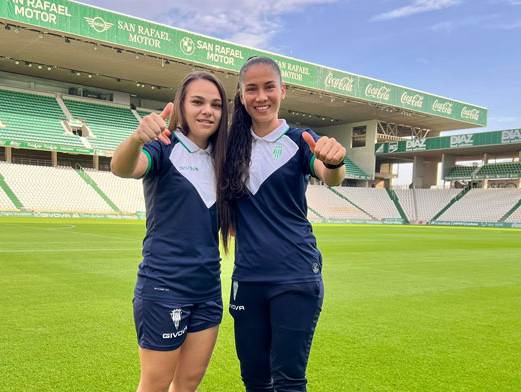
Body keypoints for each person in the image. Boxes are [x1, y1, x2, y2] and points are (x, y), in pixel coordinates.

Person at [220, 56, 346, 391]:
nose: (261, 96)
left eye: (269, 87)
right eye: (252, 89)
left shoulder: (300, 139)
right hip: (248, 279)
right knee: (254, 379)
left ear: (282, 91)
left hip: (296, 276)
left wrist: (334, 161)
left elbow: (329, 175)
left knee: (289, 380)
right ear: (241, 94)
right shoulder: (231, 146)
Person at [111, 71, 229, 392]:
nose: (207, 110)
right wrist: (137, 139)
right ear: (181, 106)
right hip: (164, 288)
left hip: (207, 291)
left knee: (187, 384)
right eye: (198, 102)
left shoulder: (223, 160)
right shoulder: (163, 147)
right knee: (155, 385)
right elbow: (123, 167)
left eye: (216, 104)